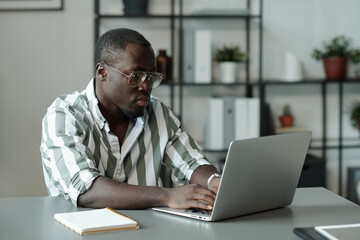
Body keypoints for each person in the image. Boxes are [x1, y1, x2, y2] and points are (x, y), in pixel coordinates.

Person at [40, 28, 221, 210]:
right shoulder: (65, 115)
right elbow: (86, 190)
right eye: (136, 76)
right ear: (102, 72)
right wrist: (167, 196)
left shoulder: (158, 112)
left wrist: (213, 181)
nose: (146, 86)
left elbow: (191, 161)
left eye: (151, 77)